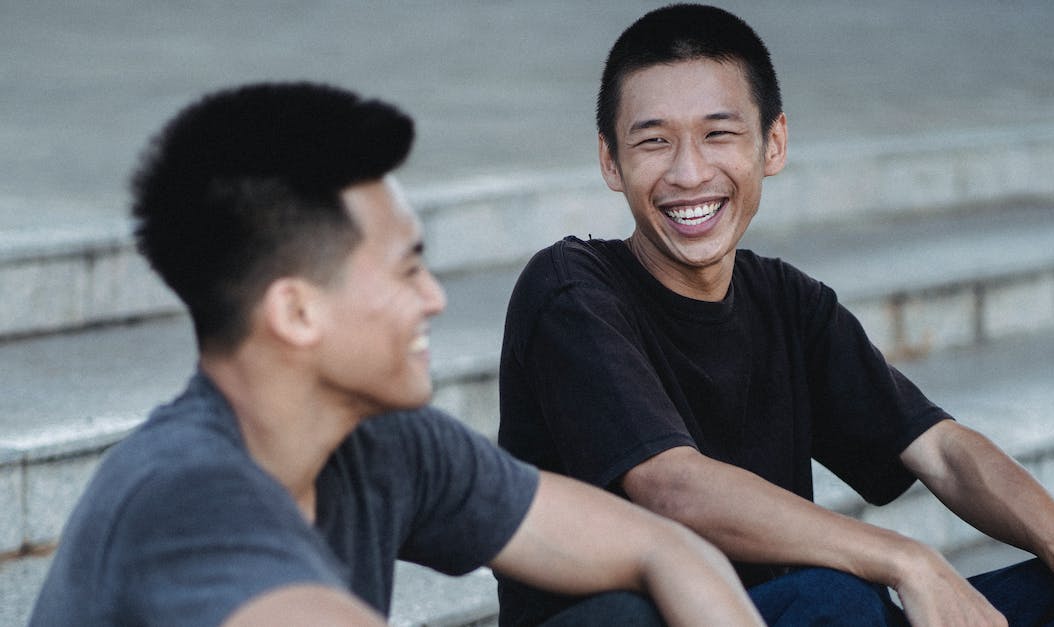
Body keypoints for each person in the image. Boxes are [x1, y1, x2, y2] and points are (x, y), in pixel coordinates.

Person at [496, 4, 1054, 626]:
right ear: (611, 160)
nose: (689, 172)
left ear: (773, 144)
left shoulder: (788, 300)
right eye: (654, 142)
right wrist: (905, 556)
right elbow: (671, 485)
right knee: (835, 595)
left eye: (718, 134)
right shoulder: (571, 291)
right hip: (630, 616)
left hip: (794, 611)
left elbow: (945, 452)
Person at [28, 82, 764, 627]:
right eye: (408, 267)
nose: (436, 297)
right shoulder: (183, 500)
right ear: (296, 311)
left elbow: (665, 548)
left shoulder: (381, 440)